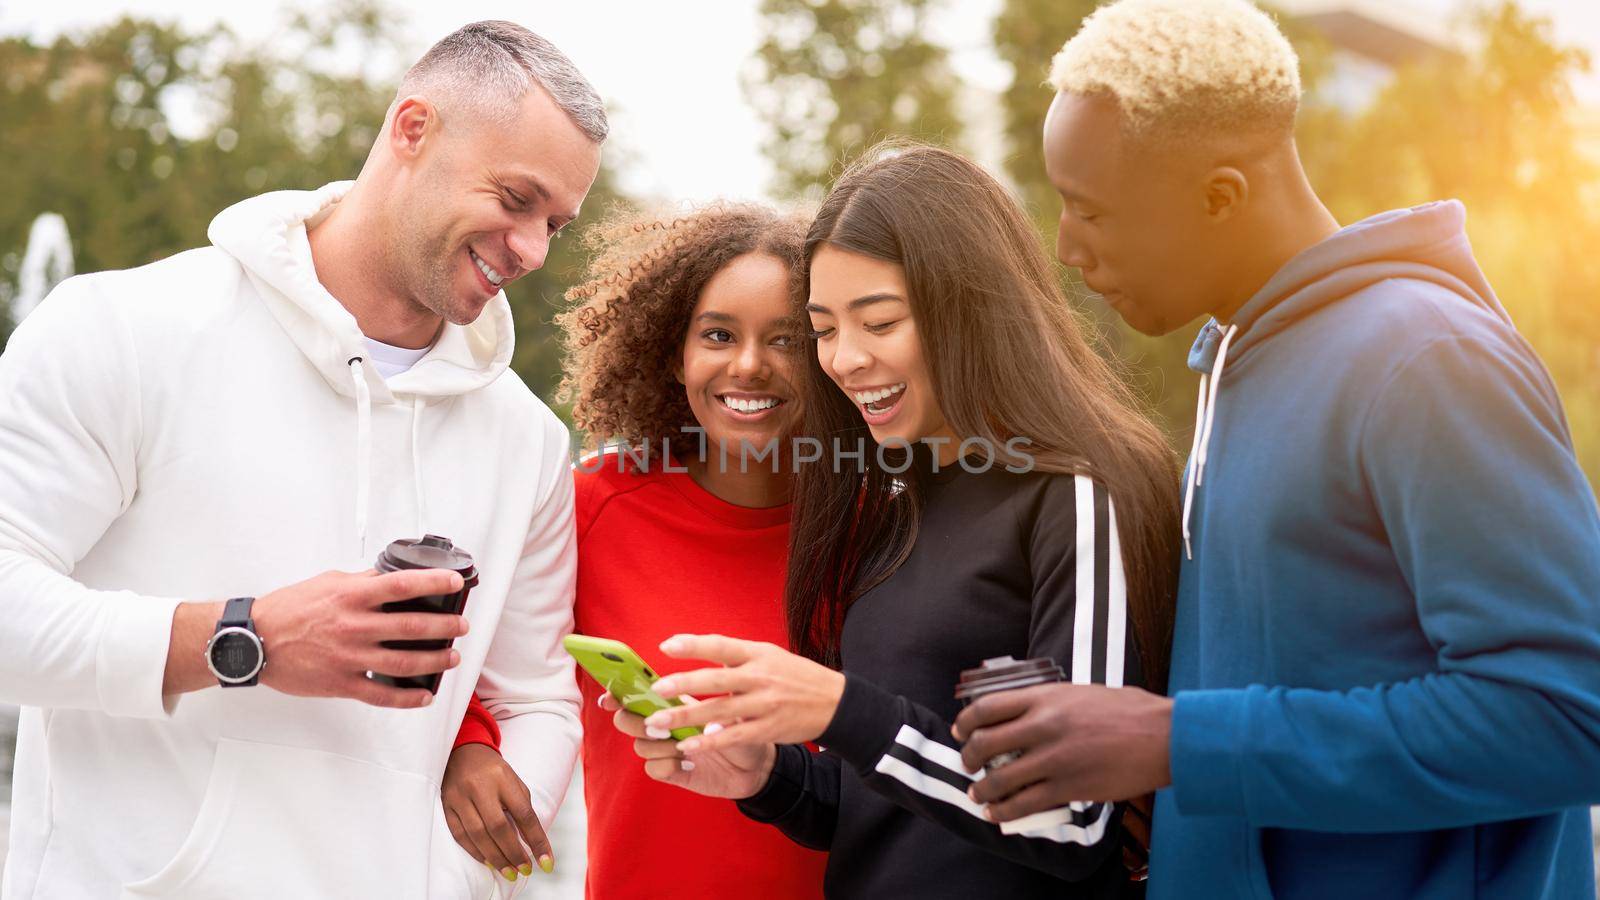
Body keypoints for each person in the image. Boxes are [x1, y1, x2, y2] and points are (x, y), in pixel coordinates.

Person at [950, 1, 1600, 898]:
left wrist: (1176, 743)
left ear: (1220, 194)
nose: (1066, 249)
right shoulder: (1239, 359)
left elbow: (1568, 714)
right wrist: (1157, 777)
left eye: (1088, 210)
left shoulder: (1426, 359)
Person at [0, 21, 605, 900]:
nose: (534, 248)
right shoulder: (121, 331)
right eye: (516, 199)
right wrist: (244, 638)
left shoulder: (529, 441)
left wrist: (457, 854)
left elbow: (538, 701)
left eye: (555, 221)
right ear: (412, 129)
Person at [615, 144, 1182, 898]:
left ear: (968, 305)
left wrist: (840, 708)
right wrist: (765, 776)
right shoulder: (891, 496)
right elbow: (889, 816)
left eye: (877, 322)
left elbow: (1073, 820)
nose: (844, 360)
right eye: (822, 328)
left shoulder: (1080, 490)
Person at [439, 202, 830, 896]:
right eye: (718, 334)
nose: (748, 366)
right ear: (672, 352)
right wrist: (468, 743)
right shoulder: (593, 501)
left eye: (787, 341)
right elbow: (465, 647)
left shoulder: (878, 530)